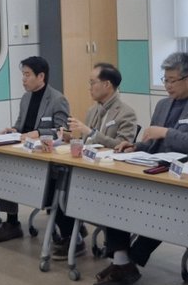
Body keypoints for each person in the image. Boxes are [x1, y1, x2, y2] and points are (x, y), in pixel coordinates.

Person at [93, 52, 188, 285]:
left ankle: (128, 262)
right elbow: (152, 144)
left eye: (172, 80)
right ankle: (121, 261)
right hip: (153, 169)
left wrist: (165, 133)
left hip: (184, 177)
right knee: (116, 192)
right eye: (165, 80)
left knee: (160, 207)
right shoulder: (164, 104)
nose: (167, 85)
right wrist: (135, 147)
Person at [0, 56, 69, 244]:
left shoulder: (57, 99)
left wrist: (38, 133)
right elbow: (20, 125)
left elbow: (62, 131)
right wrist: (13, 130)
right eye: (23, 75)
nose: (23, 79)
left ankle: (12, 223)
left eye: (27, 75)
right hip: (22, 148)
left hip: (40, 155)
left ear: (41, 76)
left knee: (7, 170)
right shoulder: (26, 97)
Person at [52, 62, 139, 260]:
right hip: (86, 168)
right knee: (55, 186)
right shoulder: (93, 110)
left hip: (109, 175)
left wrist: (90, 132)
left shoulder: (126, 112)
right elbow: (86, 142)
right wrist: (69, 138)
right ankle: (71, 236)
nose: (89, 87)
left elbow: (122, 146)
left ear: (107, 85)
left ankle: (116, 253)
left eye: (92, 82)